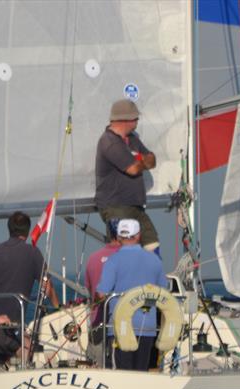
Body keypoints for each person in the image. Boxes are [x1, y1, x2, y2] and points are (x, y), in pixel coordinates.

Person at [96, 219, 167, 371]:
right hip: (147, 329)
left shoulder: (112, 262)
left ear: (119, 237)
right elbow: (164, 293)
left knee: (121, 377)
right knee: (141, 375)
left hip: (120, 329)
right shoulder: (155, 261)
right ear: (138, 235)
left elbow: (101, 294)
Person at [95, 99, 160, 253]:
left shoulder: (132, 139)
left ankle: (152, 275)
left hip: (135, 206)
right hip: (116, 206)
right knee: (124, 251)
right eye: (135, 118)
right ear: (125, 120)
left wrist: (140, 162)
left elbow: (152, 159)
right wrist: (141, 161)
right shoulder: (109, 142)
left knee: (152, 244)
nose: (138, 121)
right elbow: (133, 169)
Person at [0, 210, 59, 329]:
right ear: (27, 231)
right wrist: (58, 310)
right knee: (28, 345)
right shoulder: (32, 252)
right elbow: (47, 287)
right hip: (10, 323)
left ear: (9, 229)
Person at [84, 219, 121, 365]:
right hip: (122, 326)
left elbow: (90, 292)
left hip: (97, 325)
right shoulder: (130, 259)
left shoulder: (93, 258)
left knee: (97, 372)